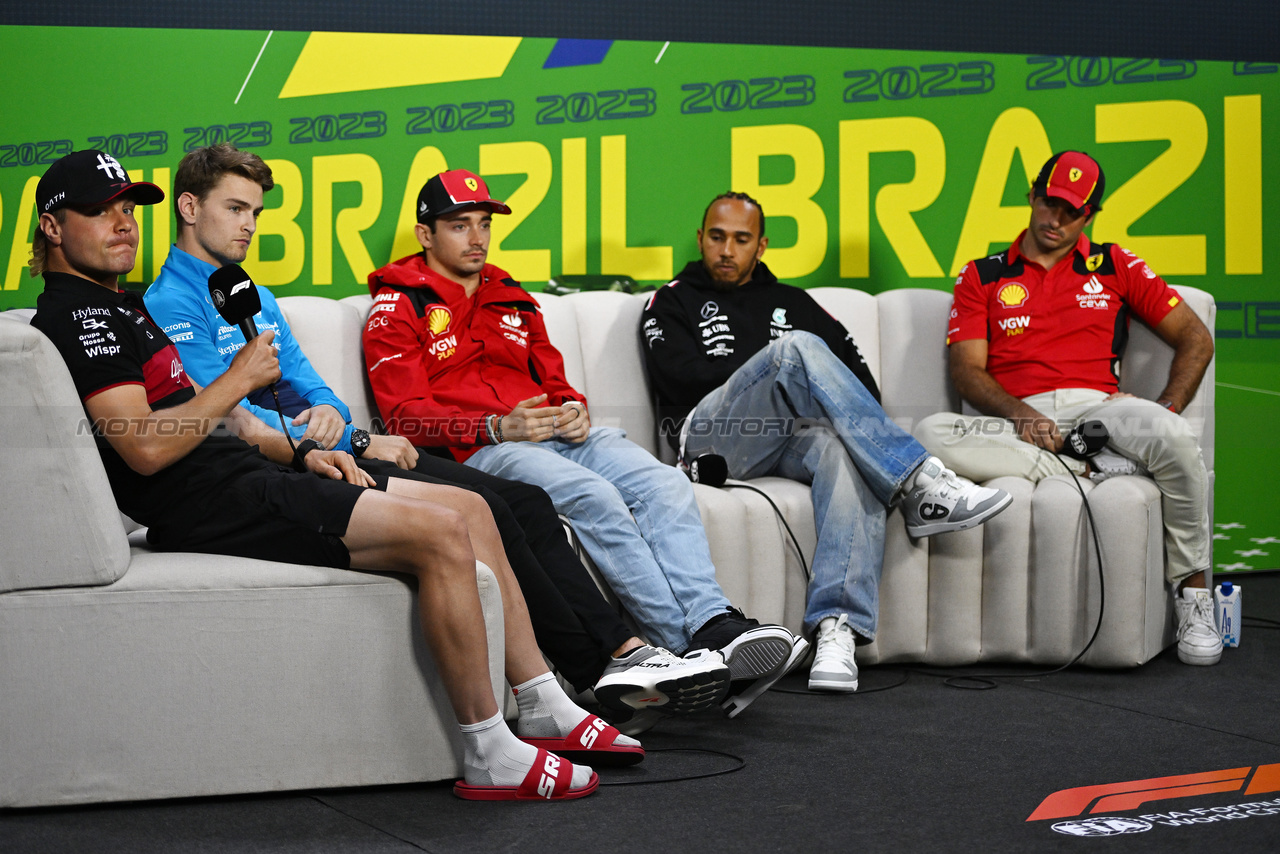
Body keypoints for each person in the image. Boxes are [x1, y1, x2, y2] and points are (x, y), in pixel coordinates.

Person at [28, 149, 627, 801]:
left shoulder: (118, 307)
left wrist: (304, 451)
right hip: (213, 501)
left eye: (127, 209)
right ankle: (488, 749)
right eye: (98, 211)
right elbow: (143, 447)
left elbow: (237, 424)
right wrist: (240, 381)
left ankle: (540, 700)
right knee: (445, 530)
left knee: (478, 510)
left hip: (247, 474)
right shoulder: (78, 318)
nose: (122, 224)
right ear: (54, 228)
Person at [143, 145, 729, 726]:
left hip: (330, 451)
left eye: (256, 213)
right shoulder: (167, 302)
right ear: (190, 208)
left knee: (522, 501)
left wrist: (330, 416)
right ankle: (605, 664)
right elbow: (223, 415)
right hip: (289, 468)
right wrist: (351, 442)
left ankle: (618, 658)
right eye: (235, 208)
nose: (248, 225)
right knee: (496, 503)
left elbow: (316, 390)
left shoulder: (254, 295)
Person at [363, 169, 808, 725]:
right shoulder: (397, 305)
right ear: (426, 235)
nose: (477, 238)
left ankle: (714, 622)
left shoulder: (513, 296)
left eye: (483, 224)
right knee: (592, 494)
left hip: (556, 436)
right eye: (459, 226)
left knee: (664, 481)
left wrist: (573, 409)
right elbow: (404, 418)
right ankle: (687, 650)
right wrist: (497, 427)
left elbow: (556, 380)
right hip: (483, 452)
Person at [639, 192, 1013, 694]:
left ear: (762, 245)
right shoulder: (673, 297)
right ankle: (923, 479)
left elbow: (864, 389)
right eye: (716, 236)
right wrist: (776, 373)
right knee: (794, 352)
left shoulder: (795, 303)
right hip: (711, 441)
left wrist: (796, 388)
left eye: (741, 239)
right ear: (702, 237)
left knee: (843, 451)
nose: (726, 249)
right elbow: (679, 378)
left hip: (788, 440)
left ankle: (837, 629)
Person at [913, 150, 1220, 666]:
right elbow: (966, 372)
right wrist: (1022, 415)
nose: (1054, 219)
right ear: (1032, 196)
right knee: (928, 432)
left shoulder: (1116, 265)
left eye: (1070, 211)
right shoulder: (982, 274)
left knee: (1173, 438)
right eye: (1048, 203)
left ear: (1090, 216)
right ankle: (1083, 463)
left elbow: (1196, 337)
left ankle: (1194, 598)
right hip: (1012, 419)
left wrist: (1166, 408)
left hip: (1100, 410)